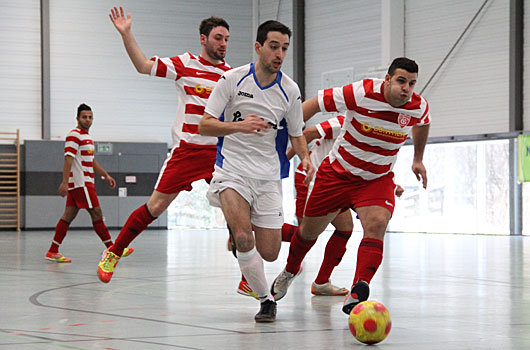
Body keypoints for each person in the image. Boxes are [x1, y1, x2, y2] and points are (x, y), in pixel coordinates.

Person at [270, 57, 430, 315]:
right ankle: (289, 271)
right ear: (387, 80)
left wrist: (418, 158)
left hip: (376, 179)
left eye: (412, 83)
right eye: (401, 81)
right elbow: (313, 105)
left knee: (377, 223)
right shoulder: (361, 92)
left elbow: (423, 123)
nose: (406, 88)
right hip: (336, 175)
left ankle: (359, 287)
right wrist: (285, 134)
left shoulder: (417, 107)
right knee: (307, 234)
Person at [97, 7, 230, 282]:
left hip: (219, 154)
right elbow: (143, 66)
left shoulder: (230, 75)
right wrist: (126, 34)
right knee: (155, 207)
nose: (223, 44)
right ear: (203, 39)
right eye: (218, 38)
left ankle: (250, 278)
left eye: (227, 39)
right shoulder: (185, 64)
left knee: (238, 212)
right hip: (187, 151)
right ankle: (114, 252)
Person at [199, 20, 314, 322]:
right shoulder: (232, 80)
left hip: (267, 177)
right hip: (232, 171)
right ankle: (266, 300)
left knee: (271, 251)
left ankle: (246, 221)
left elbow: (297, 132)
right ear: (258, 47)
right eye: (274, 47)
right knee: (243, 238)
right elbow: (205, 124)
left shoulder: (289, 90)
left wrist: (305, 158)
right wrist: (239, 126)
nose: (279, 54)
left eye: (285, 49)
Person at [45, 104, 133, 262]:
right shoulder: (74, 135)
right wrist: (64, 182)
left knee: (68, 216)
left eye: (90, 117)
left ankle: (53, 251)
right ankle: (113, 249)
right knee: (97, 213)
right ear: (77, 118)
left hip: (83, 182)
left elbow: (91, 160)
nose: (88, 120)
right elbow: (68, 159)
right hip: (81, 182)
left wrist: (105, 175)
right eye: (84, 117)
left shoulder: (88, 138)